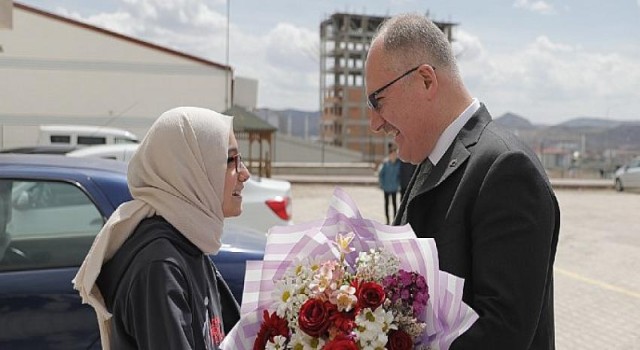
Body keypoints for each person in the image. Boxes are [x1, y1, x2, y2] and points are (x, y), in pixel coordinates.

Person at [365, 14, 560, 350]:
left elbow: (502, 335)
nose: (373, 123)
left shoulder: (506, 169)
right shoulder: (430, 157)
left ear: (426, 80)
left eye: (377, 101)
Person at [72, 107, 250, 350]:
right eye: (230, 160)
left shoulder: (190, 244)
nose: (244, 174)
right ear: (190, 170)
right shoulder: (160, 267)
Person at [378, 147, 401, 224]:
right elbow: (381, 174)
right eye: (392, 154)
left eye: (395, 154)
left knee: (395, 204)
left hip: (394, 187)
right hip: (386, 187)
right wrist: (382, 184)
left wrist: (398, 184)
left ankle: (395, 220)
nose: (393, 156)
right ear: (389, 155)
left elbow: (400, 175)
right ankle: (387, 220)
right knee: (386, 204)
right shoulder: (385, 164)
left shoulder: (398, 164)